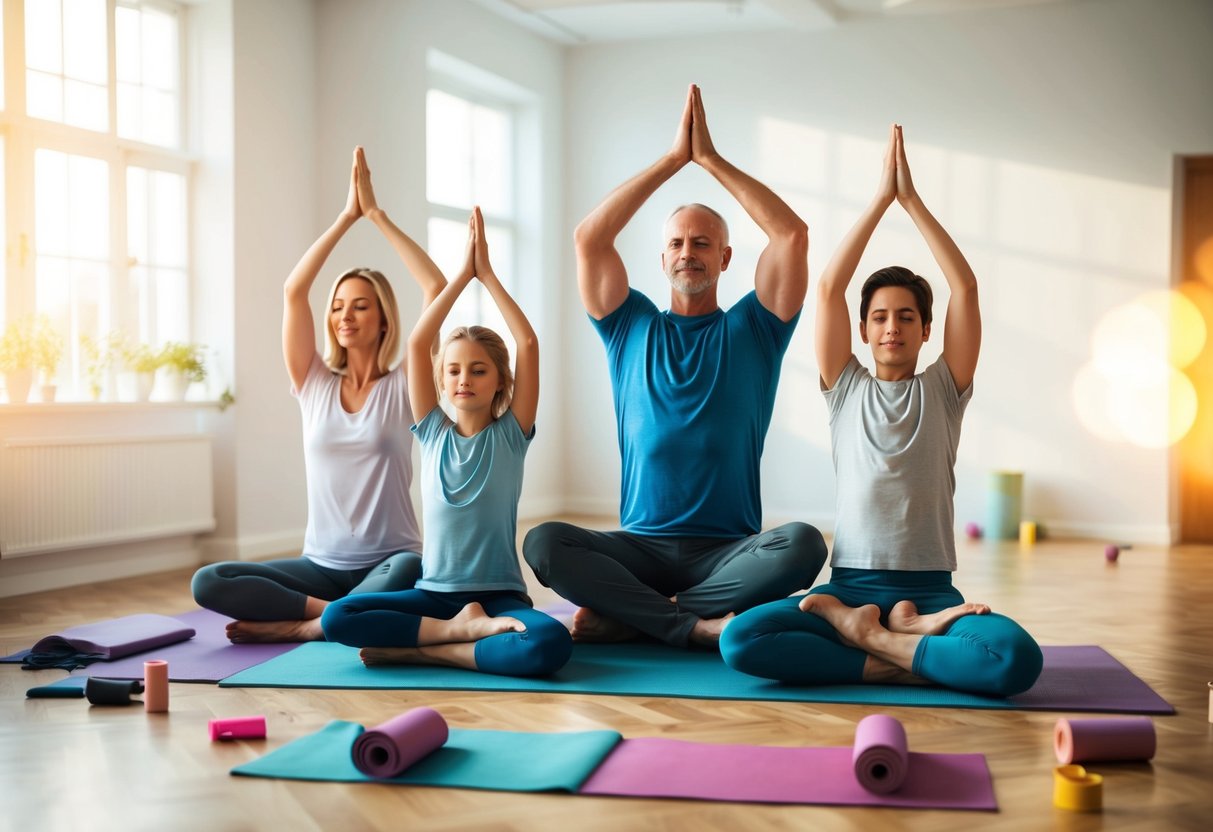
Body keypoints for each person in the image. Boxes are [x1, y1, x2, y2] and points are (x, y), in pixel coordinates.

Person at [720, 125, 1043, 697]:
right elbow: (827, 287)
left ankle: (875, 640)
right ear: (864, 329)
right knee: (740, 639)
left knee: (1016, 660)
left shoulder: (945, 389)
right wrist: (877, 202)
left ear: (925, 330)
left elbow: (963, 287)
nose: (892, 326)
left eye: (907, 317)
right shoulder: (844, 387)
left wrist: (911, 202)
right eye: (879, 317)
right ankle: (891, 642)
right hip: (848, 587)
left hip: (932, 594)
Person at [523, 84, 827, 649]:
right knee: (543, 542)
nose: (689, 251)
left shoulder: (755, 328)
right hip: (639, 547)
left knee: (805, 544)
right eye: (678, 243)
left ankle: (641, 618)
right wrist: (671, 160)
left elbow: (791, 235)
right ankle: (687, 625)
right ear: (662, 258)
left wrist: (709, 160)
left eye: (703, 243)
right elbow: (590, 237)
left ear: (725, 258)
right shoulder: (627, 324)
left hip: (727, 551)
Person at [191, 147, 444, 643]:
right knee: (209, 580)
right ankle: (336, 618)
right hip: (321, 568)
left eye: (361, 306)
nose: (345, 315)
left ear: (385, 318)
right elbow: (293, 290)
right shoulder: (313, 382)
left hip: (390, 562)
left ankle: (303, 627)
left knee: (411, 571)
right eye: (338, 307)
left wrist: (376, 216)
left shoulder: (406, 384)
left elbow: (435, 284)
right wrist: (346, 218)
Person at [320, 208, 573, 677]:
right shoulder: (432, 431)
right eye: (454, 370)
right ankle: (458, 632)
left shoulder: (511, 435)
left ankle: (431, 649)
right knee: (338, 616)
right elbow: (418, 344)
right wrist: (460, 277)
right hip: (435, 595)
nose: (464, 379)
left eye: (479, 370)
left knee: (550, 644)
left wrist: (488, 277)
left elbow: (529, 343)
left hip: (499, 596)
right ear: (441, 378)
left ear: (501, 382)